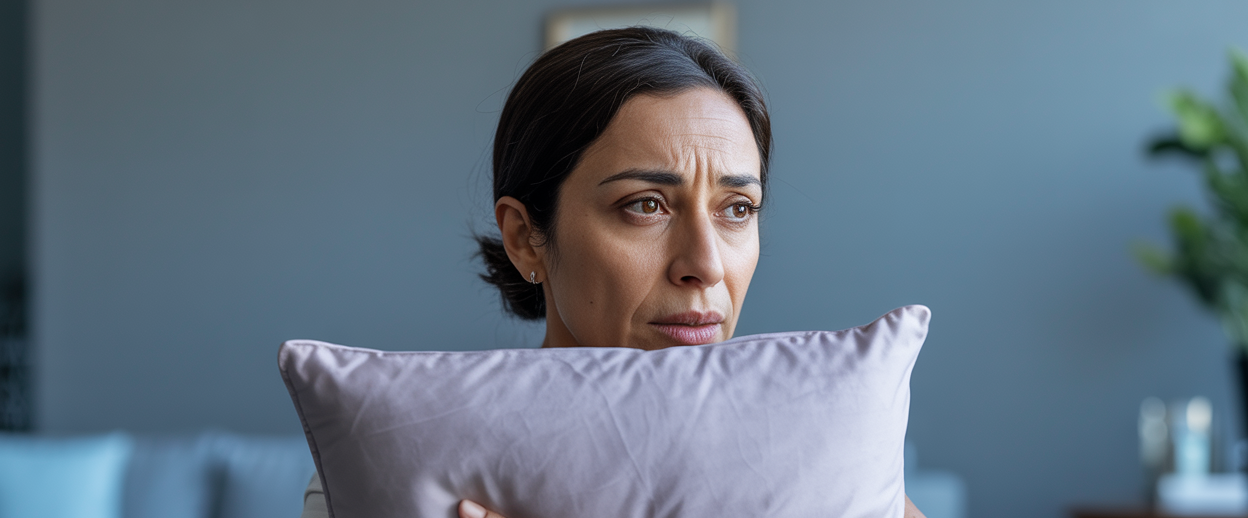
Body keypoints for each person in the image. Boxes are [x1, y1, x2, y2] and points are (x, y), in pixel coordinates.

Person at [301, 26, 925, 518]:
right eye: (645, 206)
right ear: (526, 239)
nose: (705, 265)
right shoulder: (397, 465)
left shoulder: (824, 454)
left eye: (737, 209)